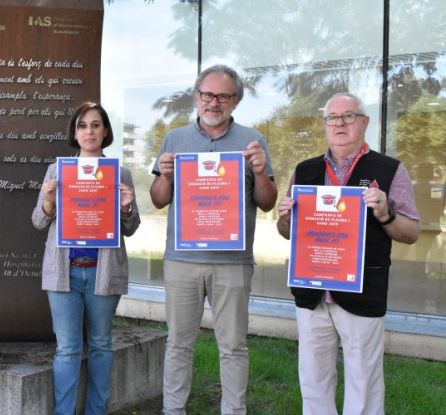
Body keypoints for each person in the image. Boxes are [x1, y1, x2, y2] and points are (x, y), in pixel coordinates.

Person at [276, 92, 420, 415]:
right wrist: (285, 220)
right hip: (312, 294)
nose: (340, 123)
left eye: (349, 116)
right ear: (325, 124)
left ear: (364, 122)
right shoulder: (305, 170)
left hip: (362, 292)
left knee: (365, 384)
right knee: (313, 383)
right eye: (332, 117)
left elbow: (412, 231)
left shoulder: (389, 170)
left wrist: (387, 214)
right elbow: (286, 232)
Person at [150, 65, 278, 415]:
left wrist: (258, 171)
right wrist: (164, 175)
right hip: (182, 261)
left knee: (233, 346)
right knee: (178, 343)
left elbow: (267, 202)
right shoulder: (174, 139)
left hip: (232, 263)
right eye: (208, 94)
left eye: (223, 96)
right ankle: (172, 410)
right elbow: (159, 199)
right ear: (197, 97)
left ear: (235, 101)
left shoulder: (253, 140)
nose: (214, 102)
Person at [32, 101, 140, 415]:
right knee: (67, 349)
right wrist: (49, 202)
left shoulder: (120, 173)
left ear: (105, 131)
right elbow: (38, 222)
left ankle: (97, 410)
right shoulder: (57, 171)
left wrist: (126, 207)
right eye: (82, 125)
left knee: (102, 344)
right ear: (75, 132)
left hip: (102, 274)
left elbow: (131, 229)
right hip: (64, 274)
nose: (89, 131)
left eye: (95, 125)